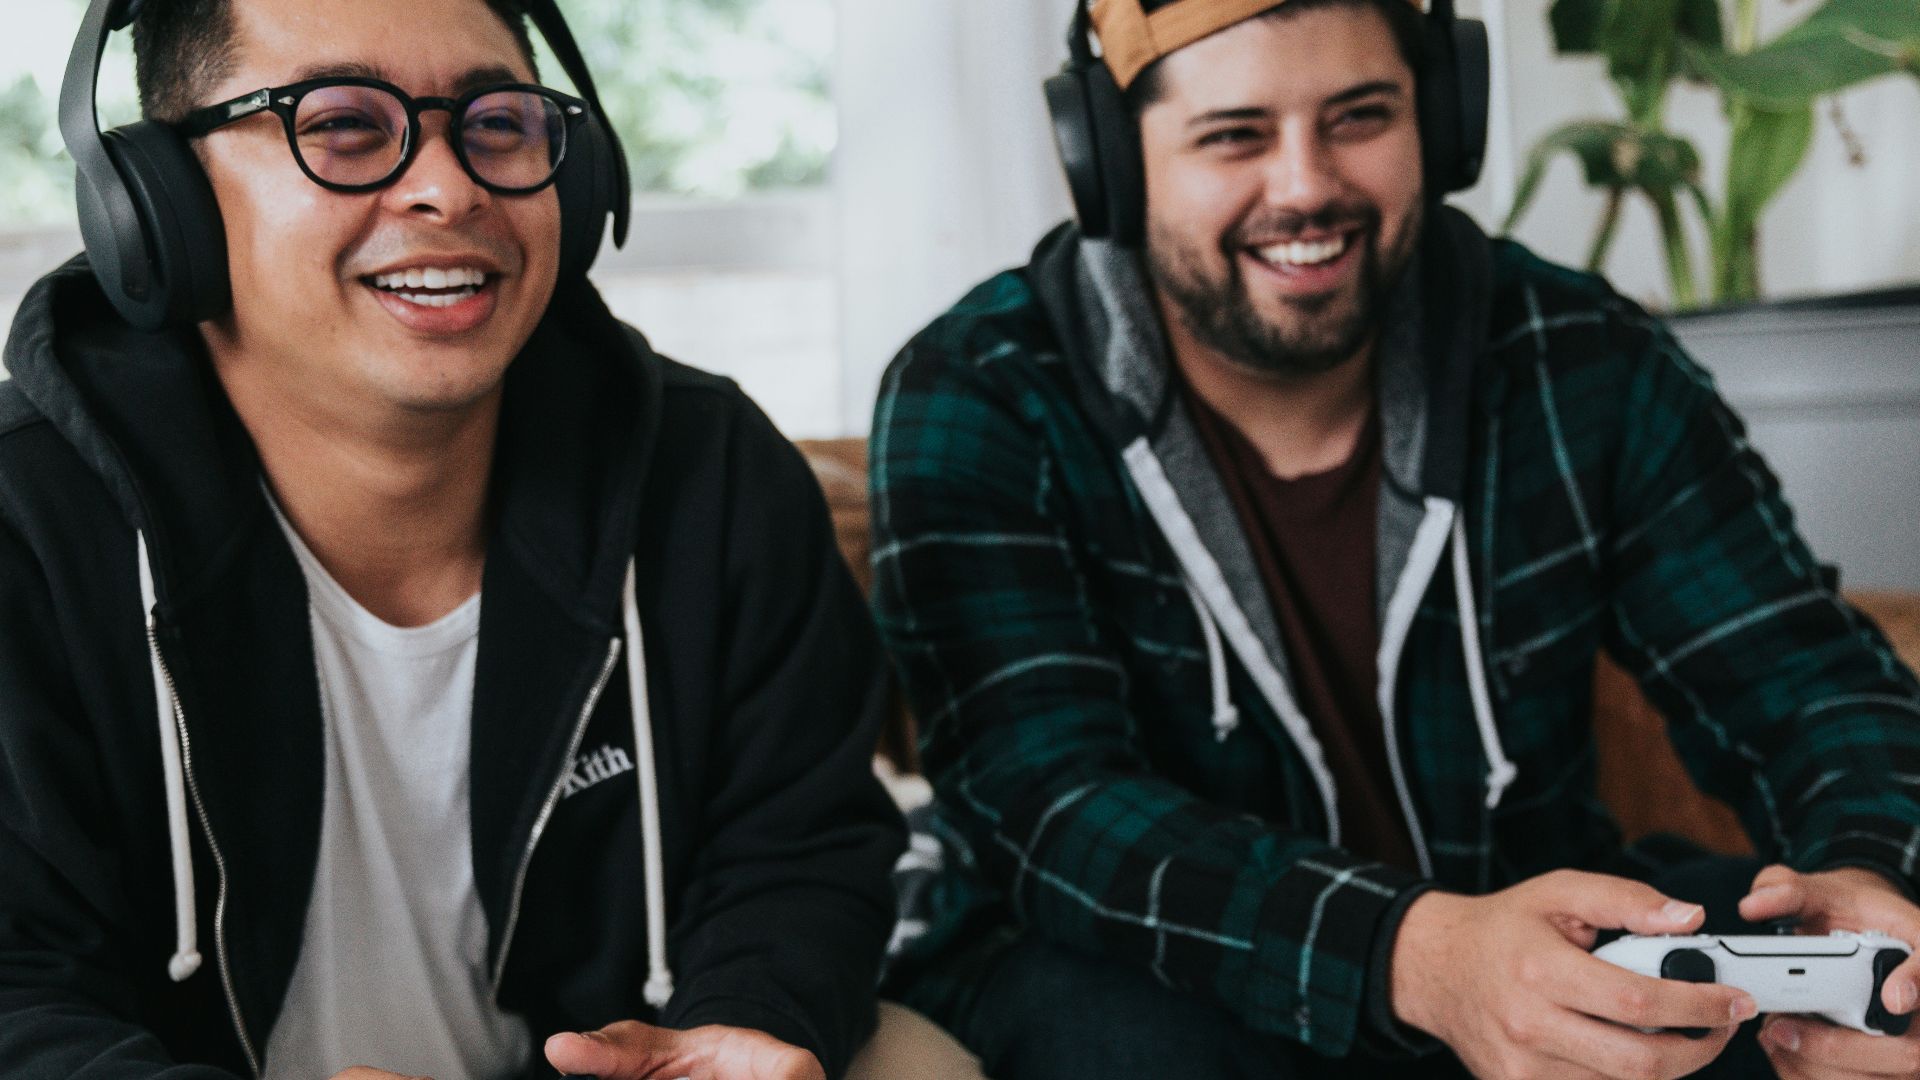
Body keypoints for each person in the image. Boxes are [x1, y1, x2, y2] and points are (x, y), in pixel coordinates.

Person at [867, 0, 1920, 1077]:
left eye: (1359, 117)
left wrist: (1865, 878)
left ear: (1442, 122)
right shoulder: (981, 393)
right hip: (1136, 980)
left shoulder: (1577, 356)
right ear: (1114, 163)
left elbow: (1802, 678)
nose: (1306, 185)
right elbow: (1052, 807)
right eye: (1235, 135)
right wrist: (1416, 954)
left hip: (1523, 934)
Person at [0, 0, 913, 1078]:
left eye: (496, 122)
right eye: (343, 123)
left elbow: (801, 853)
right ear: (157, 200)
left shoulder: (711, 473)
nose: (450, 187)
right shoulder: (27, 533)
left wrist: (747, 1021)